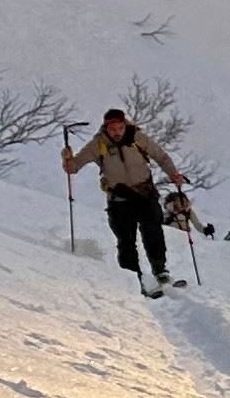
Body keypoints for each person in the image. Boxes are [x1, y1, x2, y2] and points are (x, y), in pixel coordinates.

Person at [67, 107, 178, 294]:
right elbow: (74, 167)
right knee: (126, 241)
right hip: (119, 199)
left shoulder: (138, 137)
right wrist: (68, 159)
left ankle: (160, 271)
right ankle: (134, 280)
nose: (117, 132)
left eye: (120, 128)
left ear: (124, 125)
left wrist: (174, 174)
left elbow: (161, 156)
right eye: (113, 129)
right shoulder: (98, 145)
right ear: (106, 127)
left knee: (153, 232)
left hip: (145, 193)